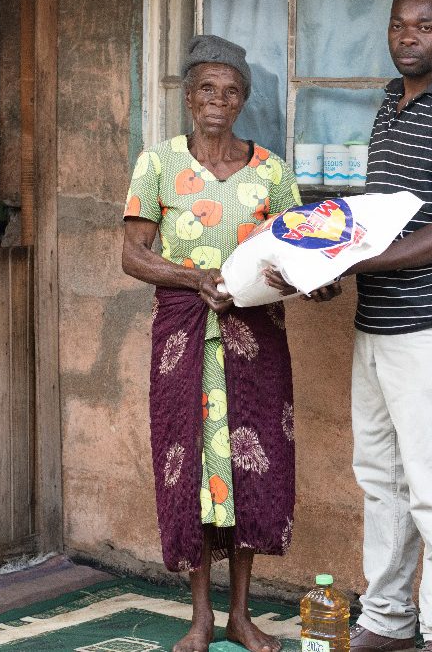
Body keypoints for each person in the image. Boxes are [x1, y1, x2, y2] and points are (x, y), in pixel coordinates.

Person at [122, 34, 304, 652]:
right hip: (183, 337)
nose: (217, 101)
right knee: (192, 470)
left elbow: (295, 252)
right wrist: (194, 277)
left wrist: (312, 281)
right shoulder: (158, 164)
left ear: (244, 99)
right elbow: (133, 255)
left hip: (256, 340)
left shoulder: (272, 171)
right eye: (206, 88)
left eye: (230, 91)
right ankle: (199, 615)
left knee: (252, 467)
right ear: (188, 95)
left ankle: (240, 614)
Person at [339, 0, 432, 651]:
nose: (408, 37)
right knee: (381, 479)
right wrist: (330, 266)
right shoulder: (389, 105)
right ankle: (386, 618)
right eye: (399, 25)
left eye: (424, 26)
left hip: (429, 329)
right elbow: (374, 225)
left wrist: (357, 266)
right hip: (375, 324)